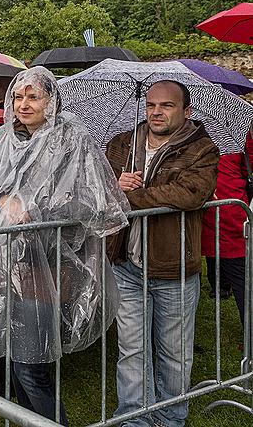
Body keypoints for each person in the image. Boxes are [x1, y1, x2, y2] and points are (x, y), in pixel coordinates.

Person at [0, 66, 129, 424]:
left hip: (49, 268)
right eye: (18, 97)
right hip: (9, 265)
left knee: (31, 368)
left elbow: (91, 202)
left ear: (51, 101)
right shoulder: (5, 140)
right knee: (19, 363)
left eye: (33, 97)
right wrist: (7, 197)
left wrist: (33, 208)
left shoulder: (72, 140)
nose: (24, 104)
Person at [105, 80, 219, 427]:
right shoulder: (123, 143)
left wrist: (129, 199)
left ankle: (171, 418)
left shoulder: (202, 150)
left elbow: (188, 194)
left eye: (166, 106)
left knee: (174, 354)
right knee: (132, 350)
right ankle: (135, 418)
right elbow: (97, 183)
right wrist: (115, 183)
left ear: (186, 111)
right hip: (127, 263)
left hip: (174, 269)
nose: (156, 111)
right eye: (152, 105)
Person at [201, 130, 251, 322]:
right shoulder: (232, 134)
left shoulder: (230, 136)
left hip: (227, 214)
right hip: (226, 213)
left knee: (240, 275)